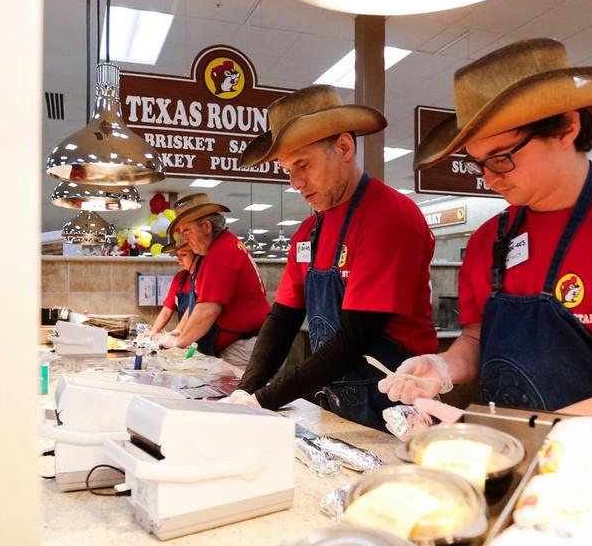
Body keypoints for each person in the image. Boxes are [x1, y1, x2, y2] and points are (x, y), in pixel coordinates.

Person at [380, 38, 592, 426]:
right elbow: (477, 340)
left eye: (501, 158)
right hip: (512, 462)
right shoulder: (490, 239)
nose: (490, 179)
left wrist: (499, 435)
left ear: (565, 128)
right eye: (479, 164)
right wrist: (443, 367)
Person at [220, 85, 438, 430]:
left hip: (395, 403)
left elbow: (356, 338)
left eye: (302, 165)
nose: (294, 182)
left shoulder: (389, 218)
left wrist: (265, 399)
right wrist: (247, 389)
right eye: (287, 170)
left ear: (344, 147)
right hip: (336, 397)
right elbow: (283, 319)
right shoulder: (309, 231)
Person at [161, 194, 269, 368]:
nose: (185, 239)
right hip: (243, 343)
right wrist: (180, 333)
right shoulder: (219, 248)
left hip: (246, 345)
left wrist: (178, 343)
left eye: (187, 231)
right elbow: (197, 304)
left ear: (206, 226)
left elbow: (207, 311)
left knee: (233, 393)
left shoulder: (221, 254)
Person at [147, 235, 199, 339]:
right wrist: (153, 332)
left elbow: (193, 309)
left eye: (183, 255)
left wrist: (178, 331)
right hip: (184, 337)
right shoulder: (180, 278)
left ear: (197, 256)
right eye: (177, 255)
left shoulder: (205, 277)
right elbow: (167, 310)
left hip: (201, 335)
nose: (179, 260)